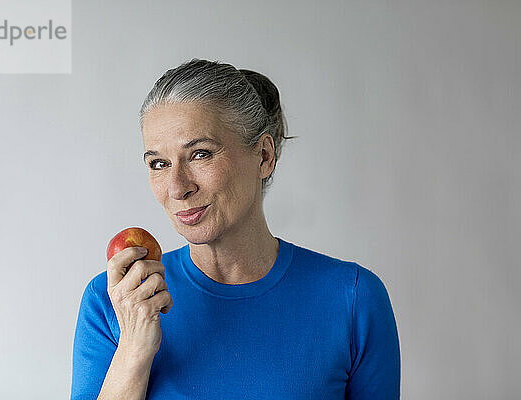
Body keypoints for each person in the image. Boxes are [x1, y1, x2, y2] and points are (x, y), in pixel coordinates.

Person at [70, 58, 400, 399]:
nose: (177, 187)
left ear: (263, 156)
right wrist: (135, 347)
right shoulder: (115, 300)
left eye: (200, 154)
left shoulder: (354, 298)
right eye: (159, 163)